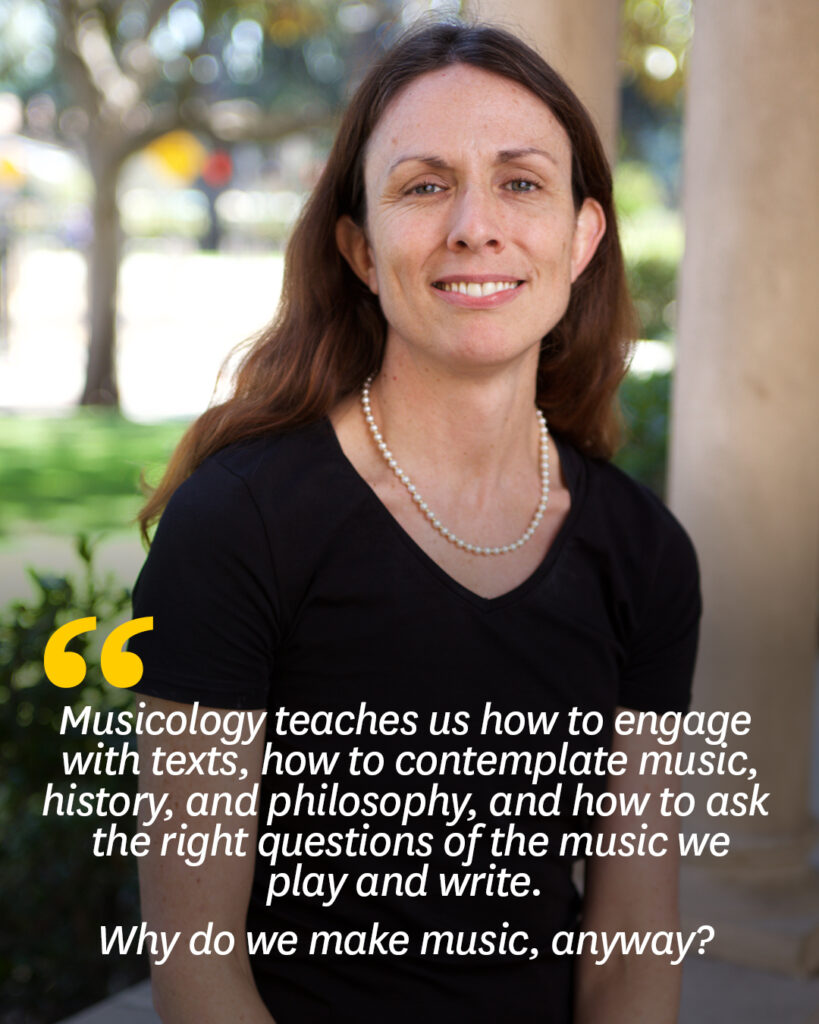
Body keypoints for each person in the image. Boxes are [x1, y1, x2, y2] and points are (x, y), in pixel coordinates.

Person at [130, 19, 700, 1024]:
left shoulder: (645, 555)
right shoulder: (238, 526)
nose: (475, 225)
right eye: (424, 184)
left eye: (521, 181)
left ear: (581, 237)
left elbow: (631, 961)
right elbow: (197, 969)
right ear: (358, 246)